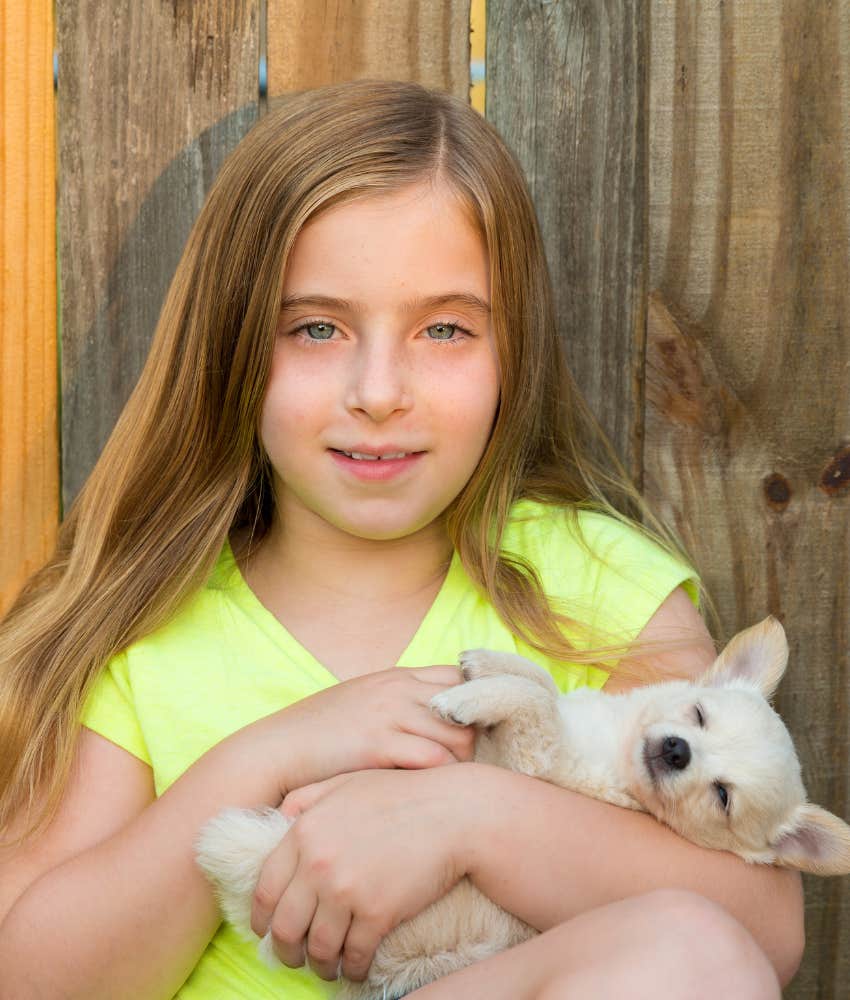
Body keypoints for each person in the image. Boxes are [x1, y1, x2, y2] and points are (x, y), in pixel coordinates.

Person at [0, 79, 801, 999]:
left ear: (515, 351)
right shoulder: (144, 634)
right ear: (231, 346)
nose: (379, 390)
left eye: (446, 328)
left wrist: (466, 819)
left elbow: (759, 934)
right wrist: (263, 757)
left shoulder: (596, 587)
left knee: (690, 955)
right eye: (315, 327)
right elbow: (31, 978)